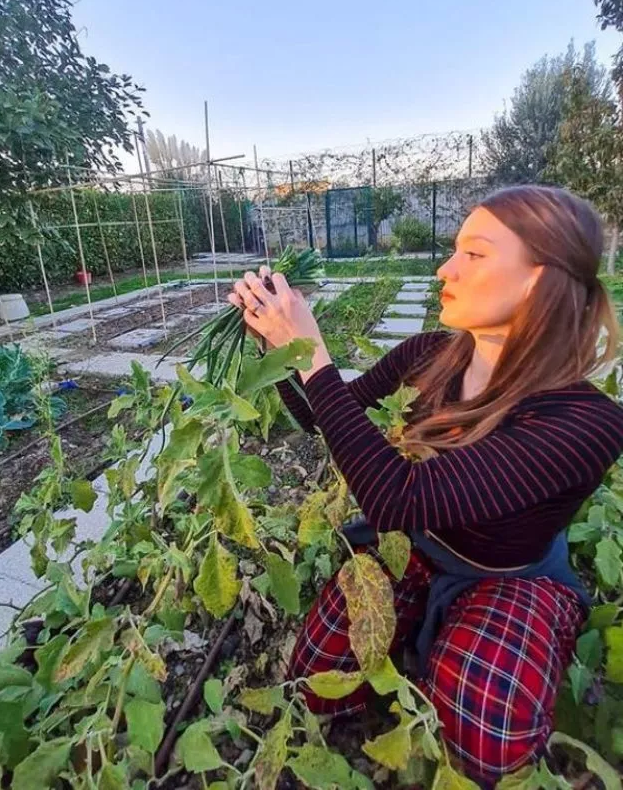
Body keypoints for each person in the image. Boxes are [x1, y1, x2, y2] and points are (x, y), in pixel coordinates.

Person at [227, 185, 623, 786]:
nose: (445, 269)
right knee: (314, 680)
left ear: (538, 281)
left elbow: (397, 497)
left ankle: (467, 644)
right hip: (415, 545)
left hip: (509, 574)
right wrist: (279, 347)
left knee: (486, 732)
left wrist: (312, 356)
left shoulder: (585, 421)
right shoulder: (429, 354)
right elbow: (322, 416)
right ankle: (422, 633)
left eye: (474, 254)